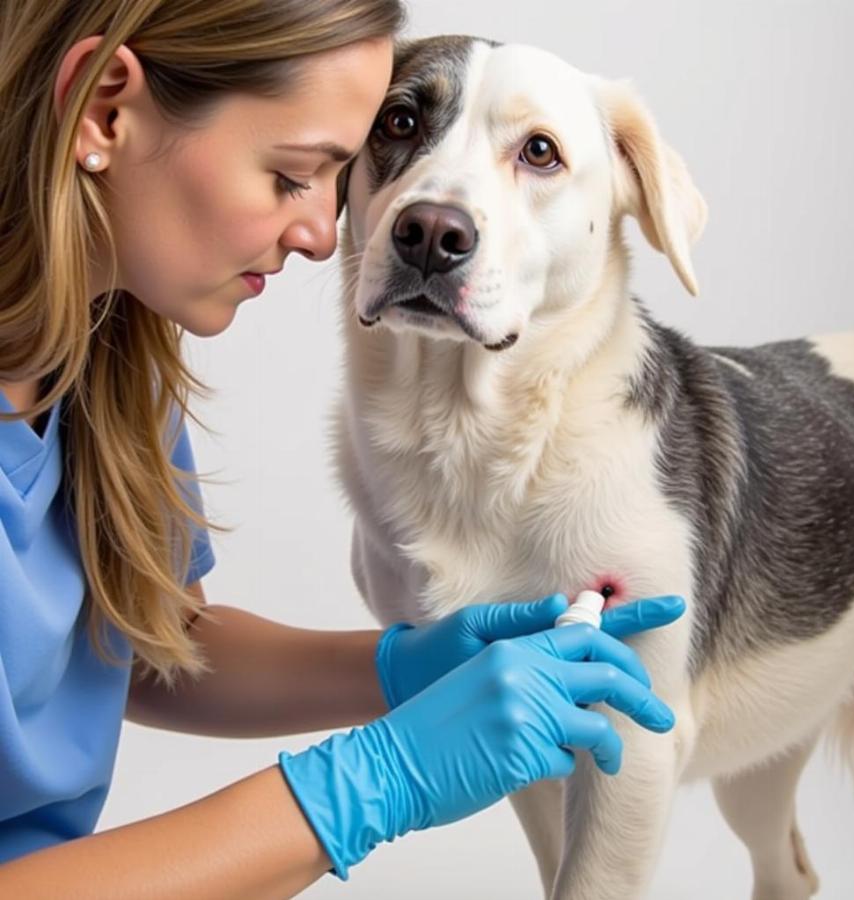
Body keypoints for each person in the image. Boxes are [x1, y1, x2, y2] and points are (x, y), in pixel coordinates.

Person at [0, 1, 685, 895]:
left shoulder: (99, 359)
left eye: (337, 177)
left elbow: (148, 649)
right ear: (107, 112)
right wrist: (371, 782)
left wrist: (396, 667)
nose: (327, 233)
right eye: (291, 175)